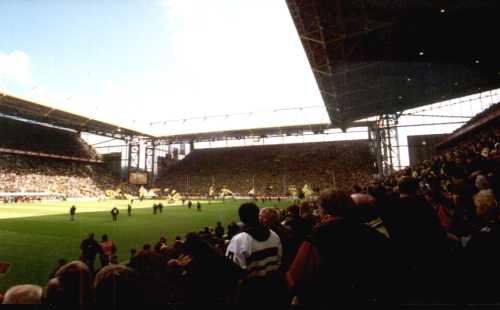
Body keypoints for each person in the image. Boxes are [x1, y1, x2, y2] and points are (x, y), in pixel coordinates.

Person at [287, 190, 393, 307]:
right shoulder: (371, 231)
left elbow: (298, 274)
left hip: (329, 298)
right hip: (365, 298)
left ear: (325, 209)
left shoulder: (319, 234)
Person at [226, 203, 287, 305]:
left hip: (249, 294)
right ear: (257, 215)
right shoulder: (274, 236)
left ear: (241, 218)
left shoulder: (239, 240)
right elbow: (278, 261)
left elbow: (231, 271)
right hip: (271, 289)